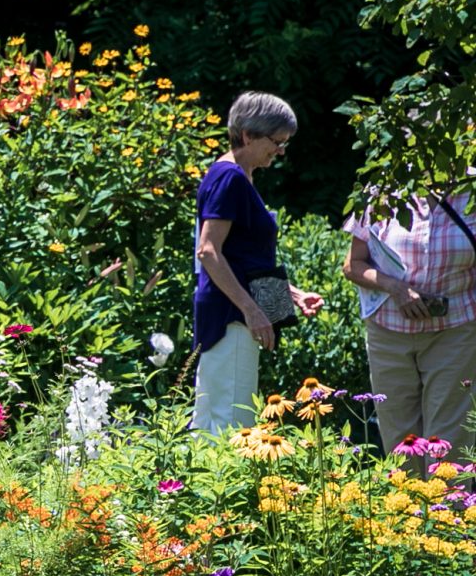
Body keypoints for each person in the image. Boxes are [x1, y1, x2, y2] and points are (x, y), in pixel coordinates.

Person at [191, 91, 322, 432]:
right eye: (276, 141)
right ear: (247, 135)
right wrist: (252, 310)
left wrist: (290, 293)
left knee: (217, 418)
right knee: (231, 423)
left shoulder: (237, 177)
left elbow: (242, 256)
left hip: (234, 313)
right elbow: (208, 251)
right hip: (230, 317)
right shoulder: (229, 178)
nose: (280, 151)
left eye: (285, 143)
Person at [343, 178, 476, 461]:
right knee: (400, 444)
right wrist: (395, 287)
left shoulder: (472, 189)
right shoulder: (381, 189)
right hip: (389, 333)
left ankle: (450, 506)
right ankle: (404, 505)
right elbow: (353, 265)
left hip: (455, 333)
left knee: (447, 443)